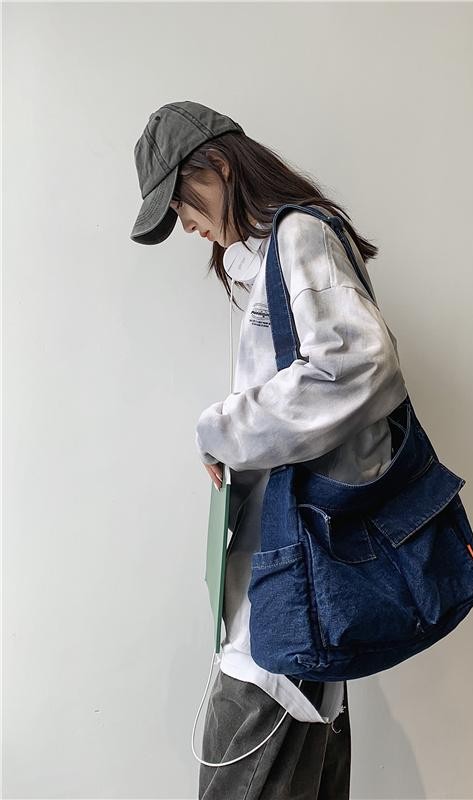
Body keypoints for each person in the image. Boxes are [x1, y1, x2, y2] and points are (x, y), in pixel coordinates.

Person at [130, 101, 408, 799]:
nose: (186, 224)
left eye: (181, 202)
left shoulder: (299, 236)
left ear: (220, 167)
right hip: (290, 592)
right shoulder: (271, 260)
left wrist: (220, 427)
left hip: (282, 609)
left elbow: (357, 363)